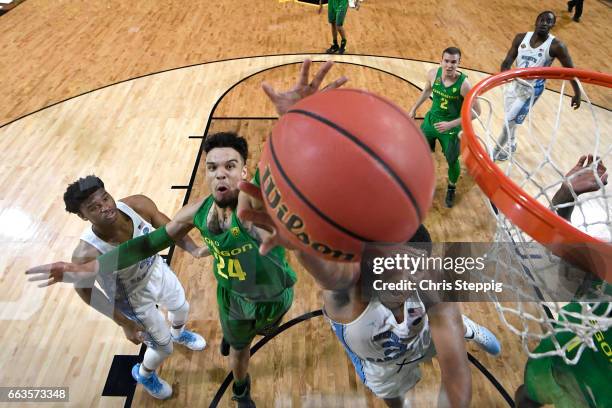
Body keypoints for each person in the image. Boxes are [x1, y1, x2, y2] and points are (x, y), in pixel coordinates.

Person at [26, 60, 348, 408]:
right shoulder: (196, 213)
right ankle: (241, 391)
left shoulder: (263, 202)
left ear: (245, 171)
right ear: (206, 173)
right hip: (234, 298)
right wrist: (86, 271)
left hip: (276, 292)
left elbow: (297, 172)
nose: (220, 174)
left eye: (230, 166)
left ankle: (239, 333)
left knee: (256, 327)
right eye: (212, 168)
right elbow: (146, 244)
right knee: (239, 352)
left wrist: (296, 124)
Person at [63, 176, 207, 400]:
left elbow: (171, 227)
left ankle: (179, 334)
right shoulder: (85, 254)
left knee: (181, 307)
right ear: (83, 216)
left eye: (106, 198)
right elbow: (84, 291)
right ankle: (144, 374)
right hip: (131, 298)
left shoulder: (138, 205)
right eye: (95, 207)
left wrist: (194, 249)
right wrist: (124, 323)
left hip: (156, 270)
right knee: (163, 348)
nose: (106, 207)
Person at [514, 155, 610, 408]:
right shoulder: (607, 265)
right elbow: (559, 251)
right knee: (526, 397)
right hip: (558, 356)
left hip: (599, 397)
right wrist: (566, 194)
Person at [493, 11, 581, 161]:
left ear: (553, 25)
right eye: (542, 19)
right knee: (511, 120)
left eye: (549, 21)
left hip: (532, 90)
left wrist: (577, 93)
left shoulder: (556, 46)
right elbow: (507, 62)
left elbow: (570, 71)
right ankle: (512, 143)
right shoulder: (521, 38)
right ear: (536, 21)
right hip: (515, 85)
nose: (545, 23)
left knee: (508, 122)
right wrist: (504, 74)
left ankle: (493, 153)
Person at [409, 47, 481, 208]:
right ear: (441, 61)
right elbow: (427, 90)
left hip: (450, 130)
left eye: (453, 62)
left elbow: (477, 112)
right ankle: (422, 180)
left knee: (452, 160)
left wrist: (451, 124)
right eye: (446, 61)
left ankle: (451, 187)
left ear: (459, 63)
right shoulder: (433, 74)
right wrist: (414, 108)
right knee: (421, 152)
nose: (449, 65)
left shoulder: (464, 85)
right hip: (430, 122)